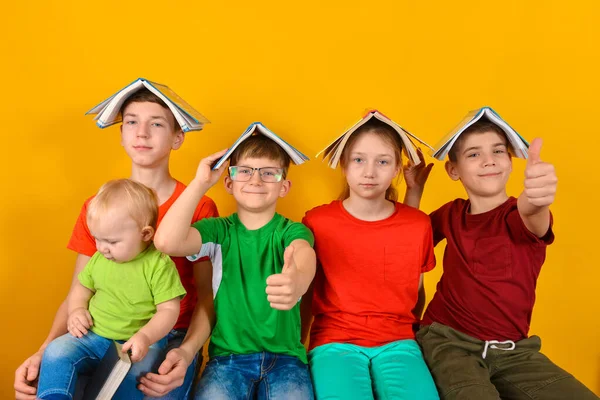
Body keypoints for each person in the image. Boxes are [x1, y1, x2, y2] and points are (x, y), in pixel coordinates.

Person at [14, 88, 218, 400]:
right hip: (100, 329)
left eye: (157, 124)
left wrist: (188, 353)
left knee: (141, 388)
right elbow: (79, 292)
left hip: (168, 336)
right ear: (121, 134)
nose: (143, 133)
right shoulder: (98, 207)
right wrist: (44, 351)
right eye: (132, 122)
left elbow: (208, 298)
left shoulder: (200, 207)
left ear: (178, 138)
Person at [404, 120, 598, 399]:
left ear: (510, 160)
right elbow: (409, 243)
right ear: (453, 170)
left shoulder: (519, 216)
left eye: (498, 151)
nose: (488, 161)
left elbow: (532, 212)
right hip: (448, 342)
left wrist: (538, 198)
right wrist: (414, 191)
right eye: (474, 154)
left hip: (514, 351)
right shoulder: (451, 214)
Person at [154, 134, 316, 399]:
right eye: (245, 171)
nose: (255, 180)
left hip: (286, 360)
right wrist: (200, 183)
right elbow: (166, 241)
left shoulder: (291, 230)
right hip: (227, 361)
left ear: (284, 187)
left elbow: (303, 253)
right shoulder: (217, 232)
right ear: (228, 182)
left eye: (268, 173)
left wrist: (298, 280)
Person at [301, 119, 439, 399]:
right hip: (334, 341)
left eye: (383, 162)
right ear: (344, 165)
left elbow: (415, 286)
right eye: (359, 160)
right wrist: (296, 345)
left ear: (398, 169)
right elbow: (305, 292)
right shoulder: (317, 221)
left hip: (399, 341)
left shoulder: (418, 224)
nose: (369, 172)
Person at [37, 179, 186, 400]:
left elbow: (169, 311)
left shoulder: (159, 265)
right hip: (94, 335)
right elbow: (81, 289)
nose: (102, 248)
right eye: (97, 239)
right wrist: (77, 310)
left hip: (136, 343)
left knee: (136, 375)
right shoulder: (100, 258)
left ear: (145, 234)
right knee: (57, 351)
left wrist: (145, 337)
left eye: (112, 241)